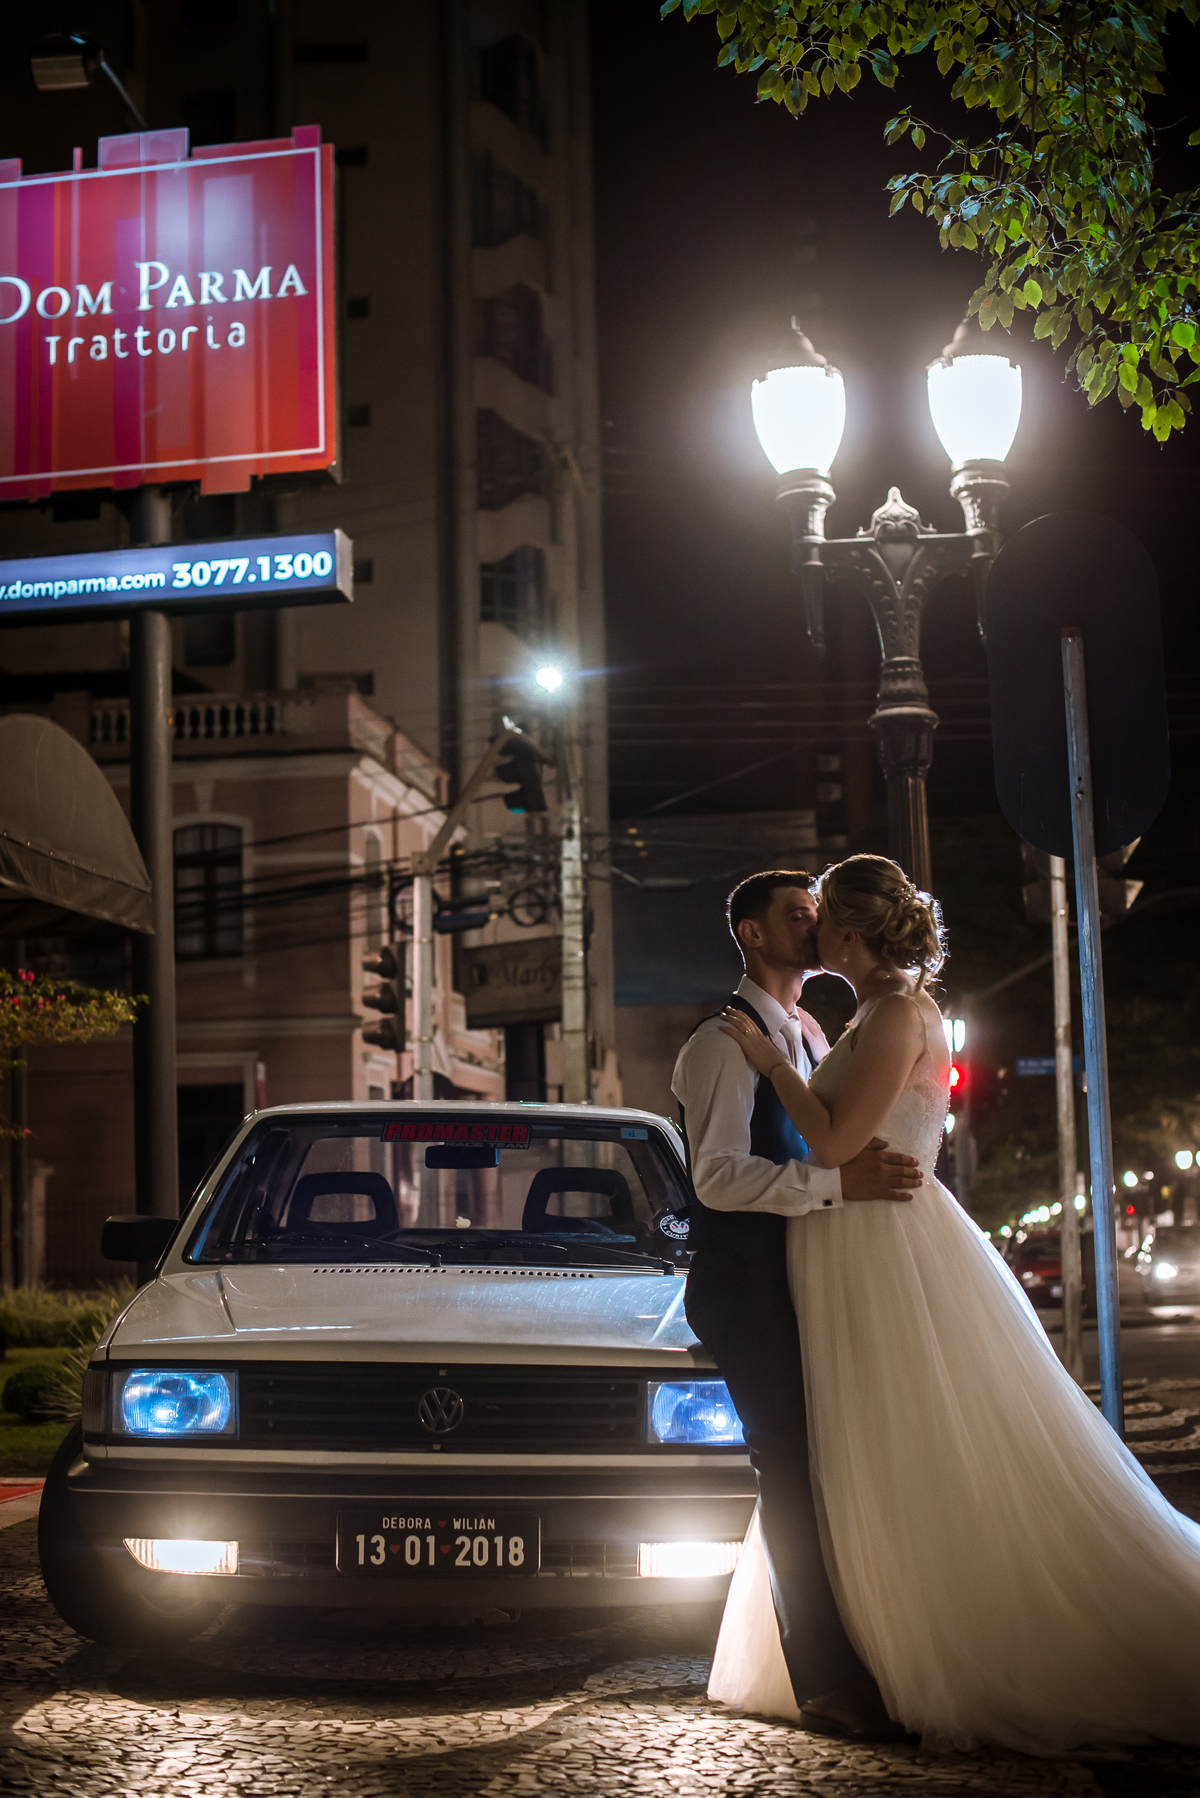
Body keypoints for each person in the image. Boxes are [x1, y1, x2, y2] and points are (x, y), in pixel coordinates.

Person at [709, 853, 1200, 1754]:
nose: (813, 935)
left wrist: (774, 1066)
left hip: (877, 1245)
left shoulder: (899, 1013)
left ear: (849, 933)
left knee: (902, 1436)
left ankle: (932, 1644)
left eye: (822, 921)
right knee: (864, 1445)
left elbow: (835, 1145)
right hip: (851, 1240)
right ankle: (870, 1642)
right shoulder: (871, 1013)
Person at [671, 869, 922, 1743]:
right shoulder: (719, 1043)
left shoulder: (809, 1032)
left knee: (831, 1465)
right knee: (790, 1470)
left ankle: (868, 1648)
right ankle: (824, 1681)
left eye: (818, 914)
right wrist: (837, 1186)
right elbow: (716, 1178)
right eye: (796, 916)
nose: (815, 926)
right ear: (751, 933)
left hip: (807, 1277)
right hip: (745, 1284)